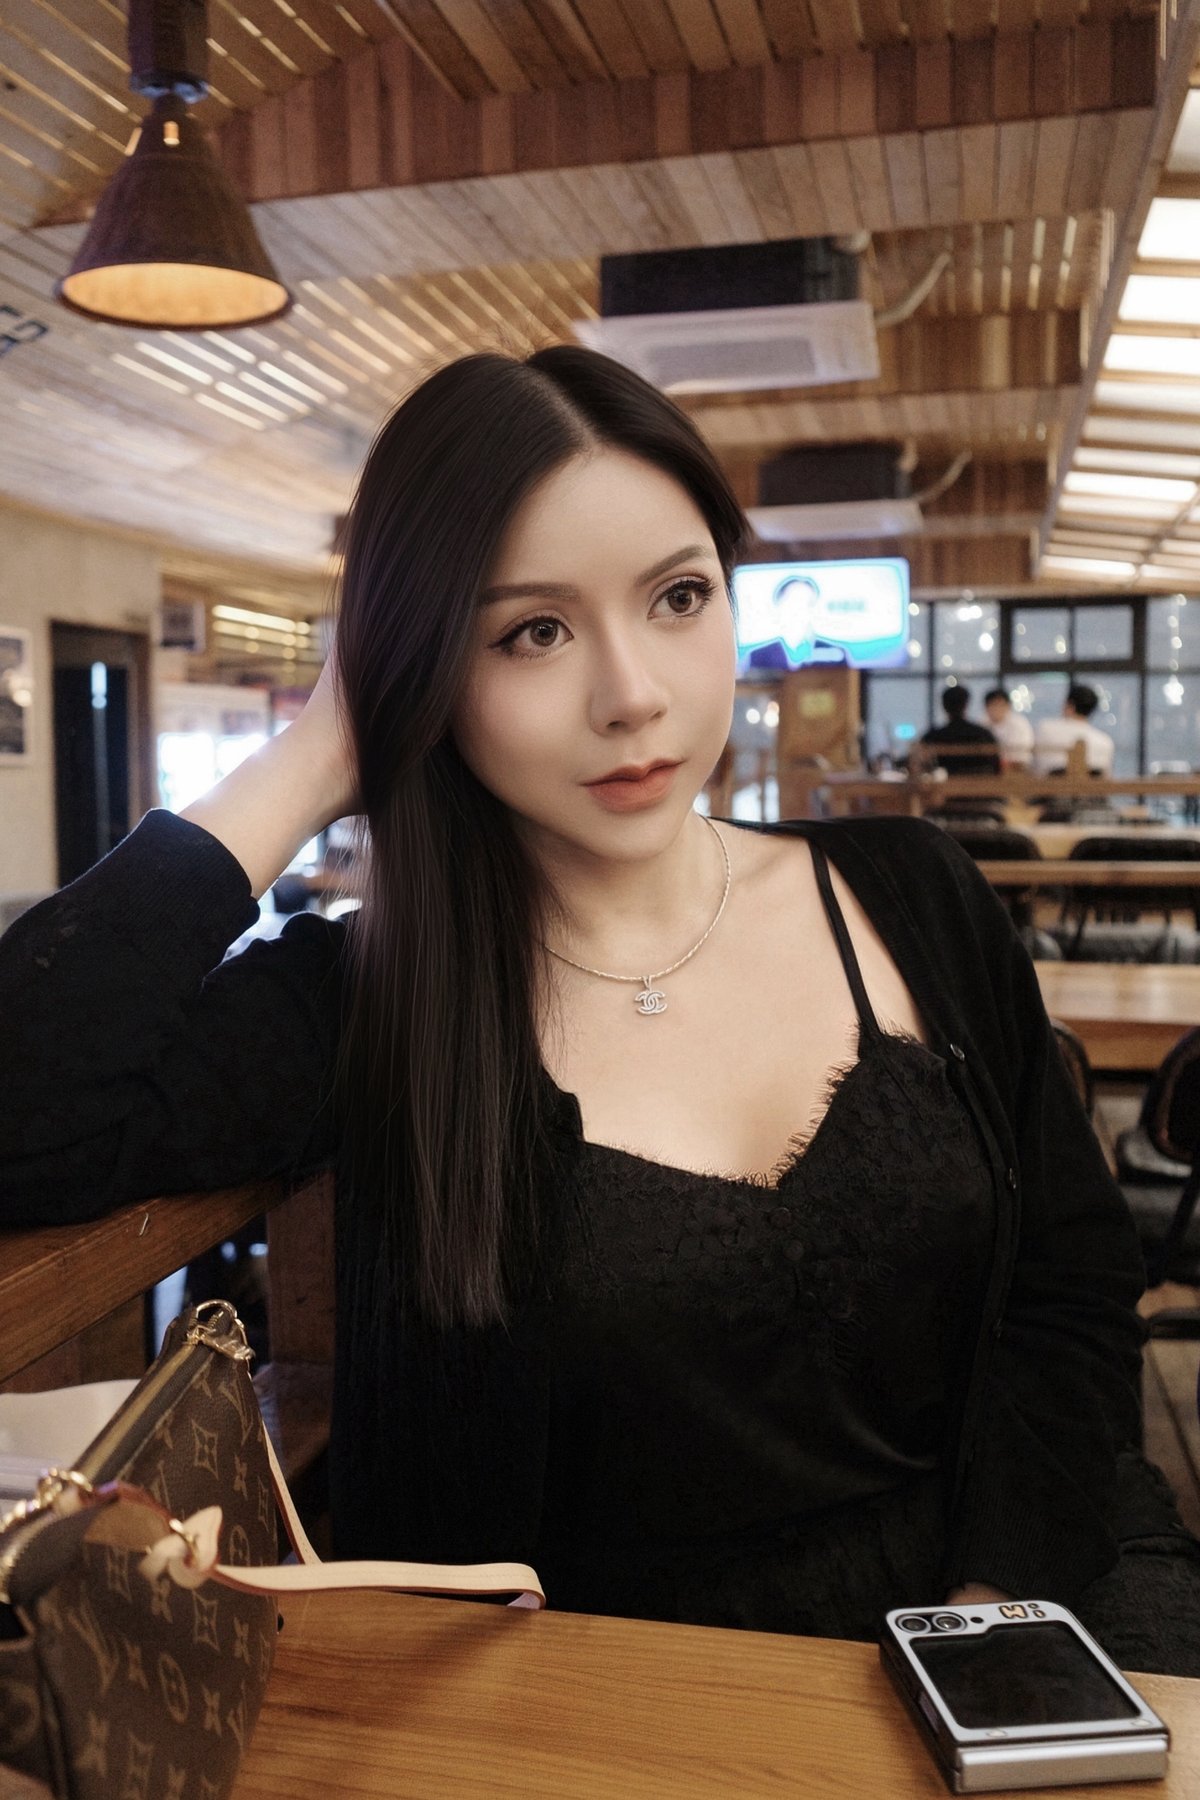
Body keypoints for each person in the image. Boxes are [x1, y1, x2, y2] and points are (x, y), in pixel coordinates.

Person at [2, 346, 1198, 1672]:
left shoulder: (914, 892)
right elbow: (24, 1110)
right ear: (425, 670)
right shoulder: (374, 1005)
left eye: (679, 597)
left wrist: (989, 1610)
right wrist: (323, 744)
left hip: (1012, 1615)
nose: (633, 694)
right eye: (533, 632)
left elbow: (1069, 1286)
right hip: (613, 1704)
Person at [1033, 683, 1116, 777]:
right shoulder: (1105, 742)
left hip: (1047, 785)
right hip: (1092, 787)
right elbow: (1106, 778)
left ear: (1069, 706)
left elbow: (1033, 767)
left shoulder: (1044, 728)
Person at [919, 684, 1001, 776]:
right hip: (980, 784)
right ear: (966, 705)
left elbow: (919, 766)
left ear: (944, 706)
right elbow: (997, 768)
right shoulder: (984, 735)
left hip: (943, 785)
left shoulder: (931, 737)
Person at [983, 687, 1035, 771]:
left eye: (1000, 705)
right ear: (986, 707)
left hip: (1017, 768)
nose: (997, 709)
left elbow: (1022, 756)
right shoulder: (982, 724)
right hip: (989, 769)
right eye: (993, 705)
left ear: (1008, 706)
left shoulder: (1019, 724)